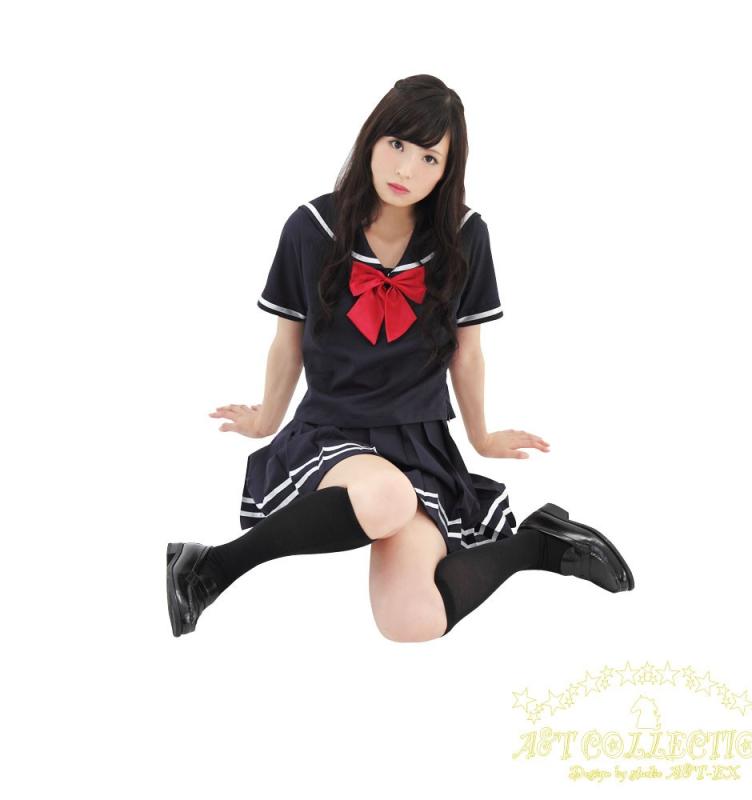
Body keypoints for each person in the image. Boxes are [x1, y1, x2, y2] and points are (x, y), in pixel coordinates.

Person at [166, 74, 635, 640]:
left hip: (419, 443)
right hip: (331, 430)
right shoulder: (312, 228)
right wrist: (267, 418)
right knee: (385, 497)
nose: (406, 170)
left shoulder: (464, 236)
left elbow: (467, 354)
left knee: (411, 622)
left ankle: (539, 544)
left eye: (429, 158)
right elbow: (288, 339)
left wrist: (481, 438)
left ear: (446, 171)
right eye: (397, 145)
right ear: (372, 138)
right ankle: (210, 567)